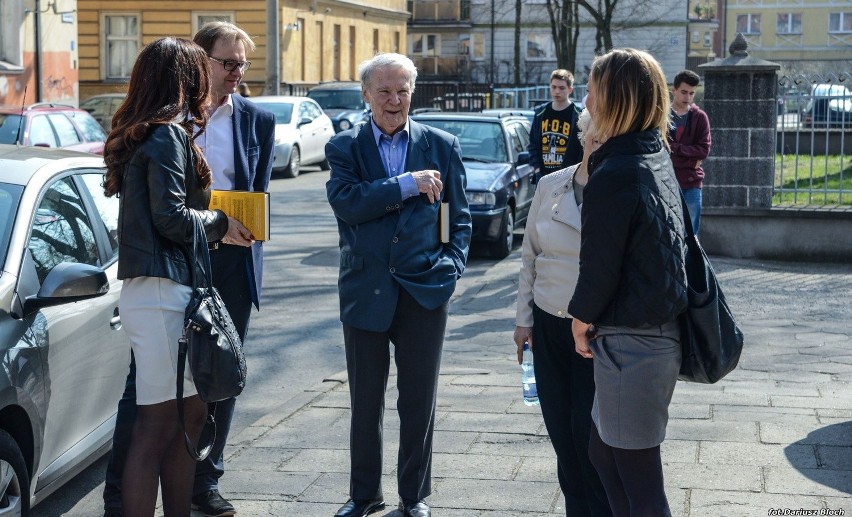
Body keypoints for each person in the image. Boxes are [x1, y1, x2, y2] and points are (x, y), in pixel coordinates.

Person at [102, 22, 275, 517]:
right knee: (158, 425)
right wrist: (221, 222)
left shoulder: (159, 135)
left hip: (167, 288)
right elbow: (170, 217)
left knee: (190, 417)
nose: (219, 76)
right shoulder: (165, 137)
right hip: (160, 293)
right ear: (184, 76)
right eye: (207, 68)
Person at [325, 53, 472, 517]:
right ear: (365, 94)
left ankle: (415, 497)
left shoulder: (442, 145)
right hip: (365, 291)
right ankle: (364, 495)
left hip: (424, 292)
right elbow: (349, 203)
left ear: (414, 92)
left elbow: (455, 219)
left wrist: (450, 268)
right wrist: (407, 183)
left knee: (418, 402)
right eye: (384, 91)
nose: (394, 100)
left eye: (402, 91)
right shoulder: (344, 147)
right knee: (365, 405)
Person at [568, 48, 688, 517]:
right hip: (645, 335)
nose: (586, 100)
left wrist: (580, 321)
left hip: (633, 344)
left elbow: (600, 265)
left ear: (614, 99)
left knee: (641, 481)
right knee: (604, 456)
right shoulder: (651, 153)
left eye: (593, 89)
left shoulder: (616, 172)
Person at [513, 108, 611, 517]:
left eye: (609, 138)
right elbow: (529, 256)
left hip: (595, 332)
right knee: (559, 430)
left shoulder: (621, 189)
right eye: (595, 135)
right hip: (549, 325)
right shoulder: (551, 184)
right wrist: (523, 320)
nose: (599, 144)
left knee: (587, 434)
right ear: (582, 135)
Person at [668, 69, 711, 235]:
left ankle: (690, 262)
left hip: (691, 183)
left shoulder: (700, 117)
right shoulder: (662, 116)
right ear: (674, 91)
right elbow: (659, 150)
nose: (688, 97)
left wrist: (676, 149)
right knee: (668, 231)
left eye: (692, 93)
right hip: (667, 181)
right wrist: (690, 161)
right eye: (684, 92)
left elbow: (703, 151)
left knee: (690, 234)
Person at [528, 69, 584, 182]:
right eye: (553, 87)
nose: (557, 91)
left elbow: (581, 147)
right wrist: (537, 169)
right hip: (543, 177)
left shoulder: (578, 115)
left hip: (568, 177)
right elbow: (532, 144)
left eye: (561, 88)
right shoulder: (540, 113)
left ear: (570, 89)